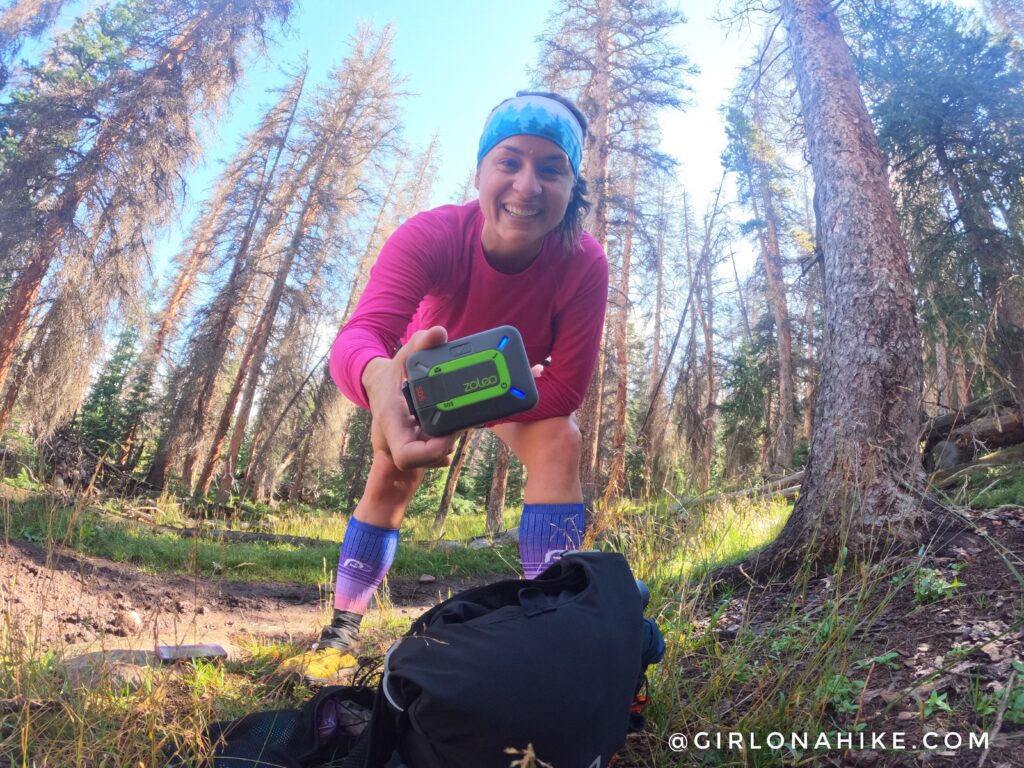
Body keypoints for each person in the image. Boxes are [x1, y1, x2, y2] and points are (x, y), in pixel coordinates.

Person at [280, 91, 609, 681]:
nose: (527, 186)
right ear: (481, 170)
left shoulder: (584, 261)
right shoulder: (434, 235)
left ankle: (550, 626)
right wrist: (382, 381)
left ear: (571, 183)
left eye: (551, 168)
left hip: (508, 390)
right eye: (509, 162)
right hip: (422, 385)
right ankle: (342, 628)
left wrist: (487, 403)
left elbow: (567, 386)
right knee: (392, 471)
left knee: (561, 437)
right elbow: (359, 338)